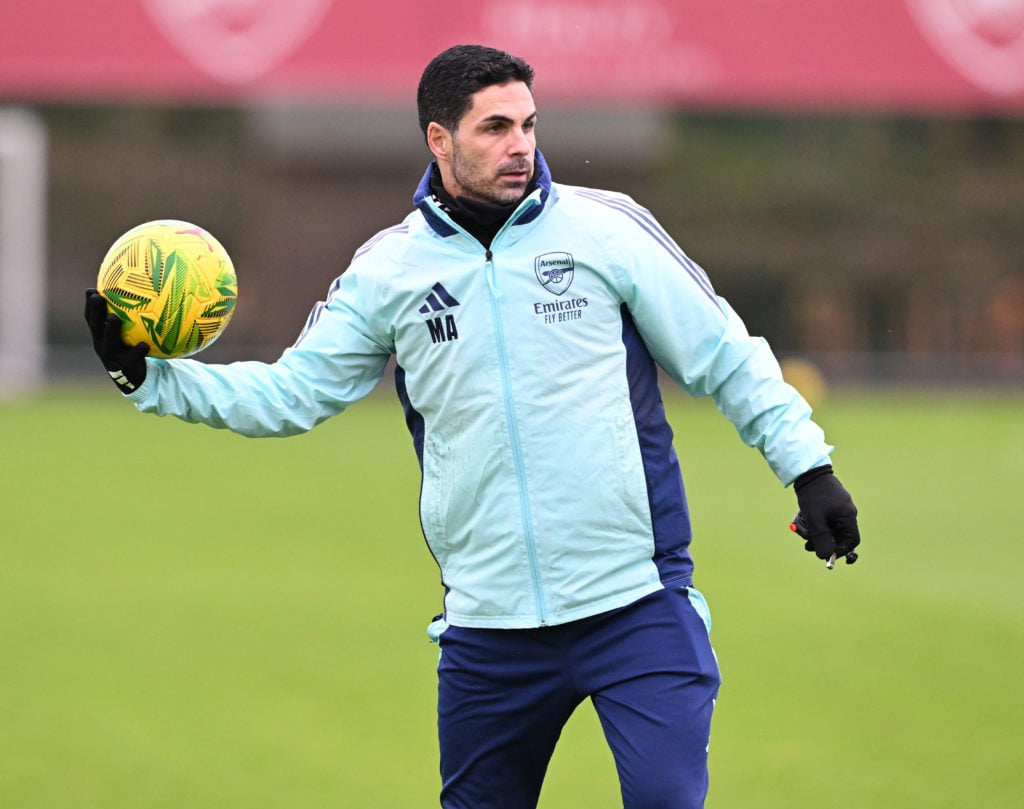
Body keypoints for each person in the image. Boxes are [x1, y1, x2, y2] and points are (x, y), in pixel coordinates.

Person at [85, 44, 860, 809]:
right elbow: (292, 392)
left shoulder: (608, 230)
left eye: (527, 123)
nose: (520, 144)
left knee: (666, 799)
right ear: (439, 139)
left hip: (636, 603)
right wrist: (150, 377)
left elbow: (724, 354)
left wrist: (808, 468)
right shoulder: (388, 271)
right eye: (494, 127)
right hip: (490, 630)